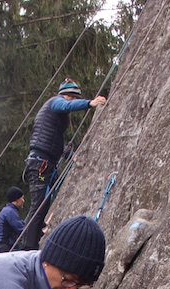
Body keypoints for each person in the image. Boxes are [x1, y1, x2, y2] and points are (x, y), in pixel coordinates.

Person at [22, 80, 107, 250]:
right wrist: (89, 103)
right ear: (67, 96)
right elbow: (65, 106)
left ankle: (32, 243)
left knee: (42, 206)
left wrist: (69, 155)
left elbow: (53, 141)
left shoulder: (54, 117)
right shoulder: (56, 103)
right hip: (41, 163)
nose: (71, 101)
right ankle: (27, 248)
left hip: (42, 161)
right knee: (38, 207)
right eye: (72, 98)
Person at [0, 186, 26, 253]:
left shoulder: (8, 210)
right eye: (22, 198)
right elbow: (21, 229)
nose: (23, 201)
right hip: (2, 248)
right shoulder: (10, 212)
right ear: (17, 199)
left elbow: (22, 224)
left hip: (0, 247)